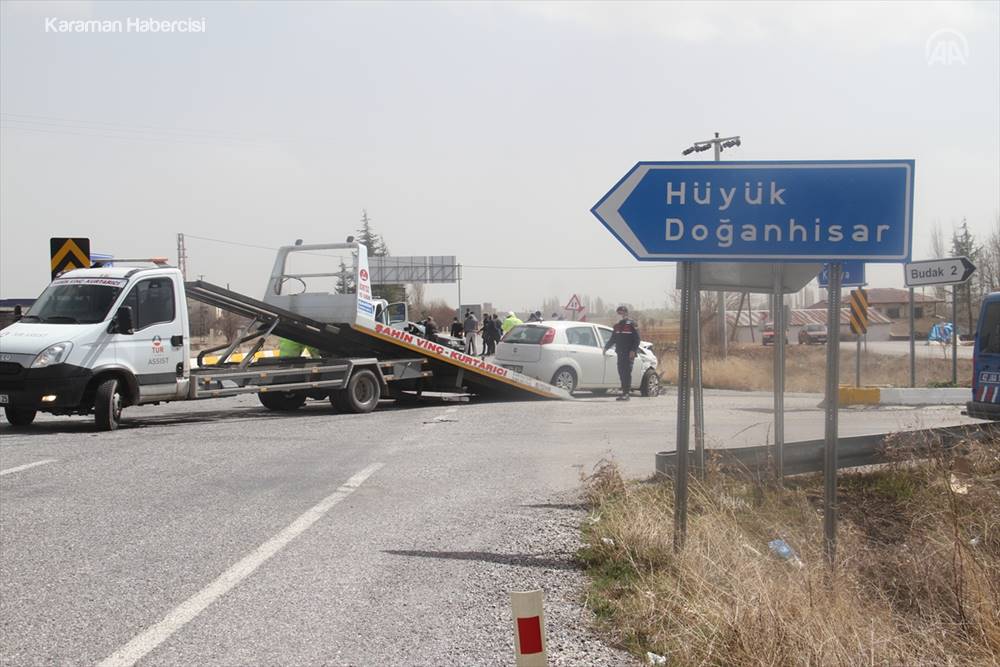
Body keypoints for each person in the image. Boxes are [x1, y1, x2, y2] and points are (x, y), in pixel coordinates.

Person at [603, 305, 641, 401]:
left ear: (626, 313)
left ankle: (626, 394)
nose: (619, 315)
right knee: (621, 372)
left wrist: (633, 350)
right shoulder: (617, 326)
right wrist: (606, 347)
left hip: (629, 353)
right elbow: (613, 339)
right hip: (620, 353)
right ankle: (624, 392)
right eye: (618, 313)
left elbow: (637, 339)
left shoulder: (632, 324)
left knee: (626, 373)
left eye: (621, 313)